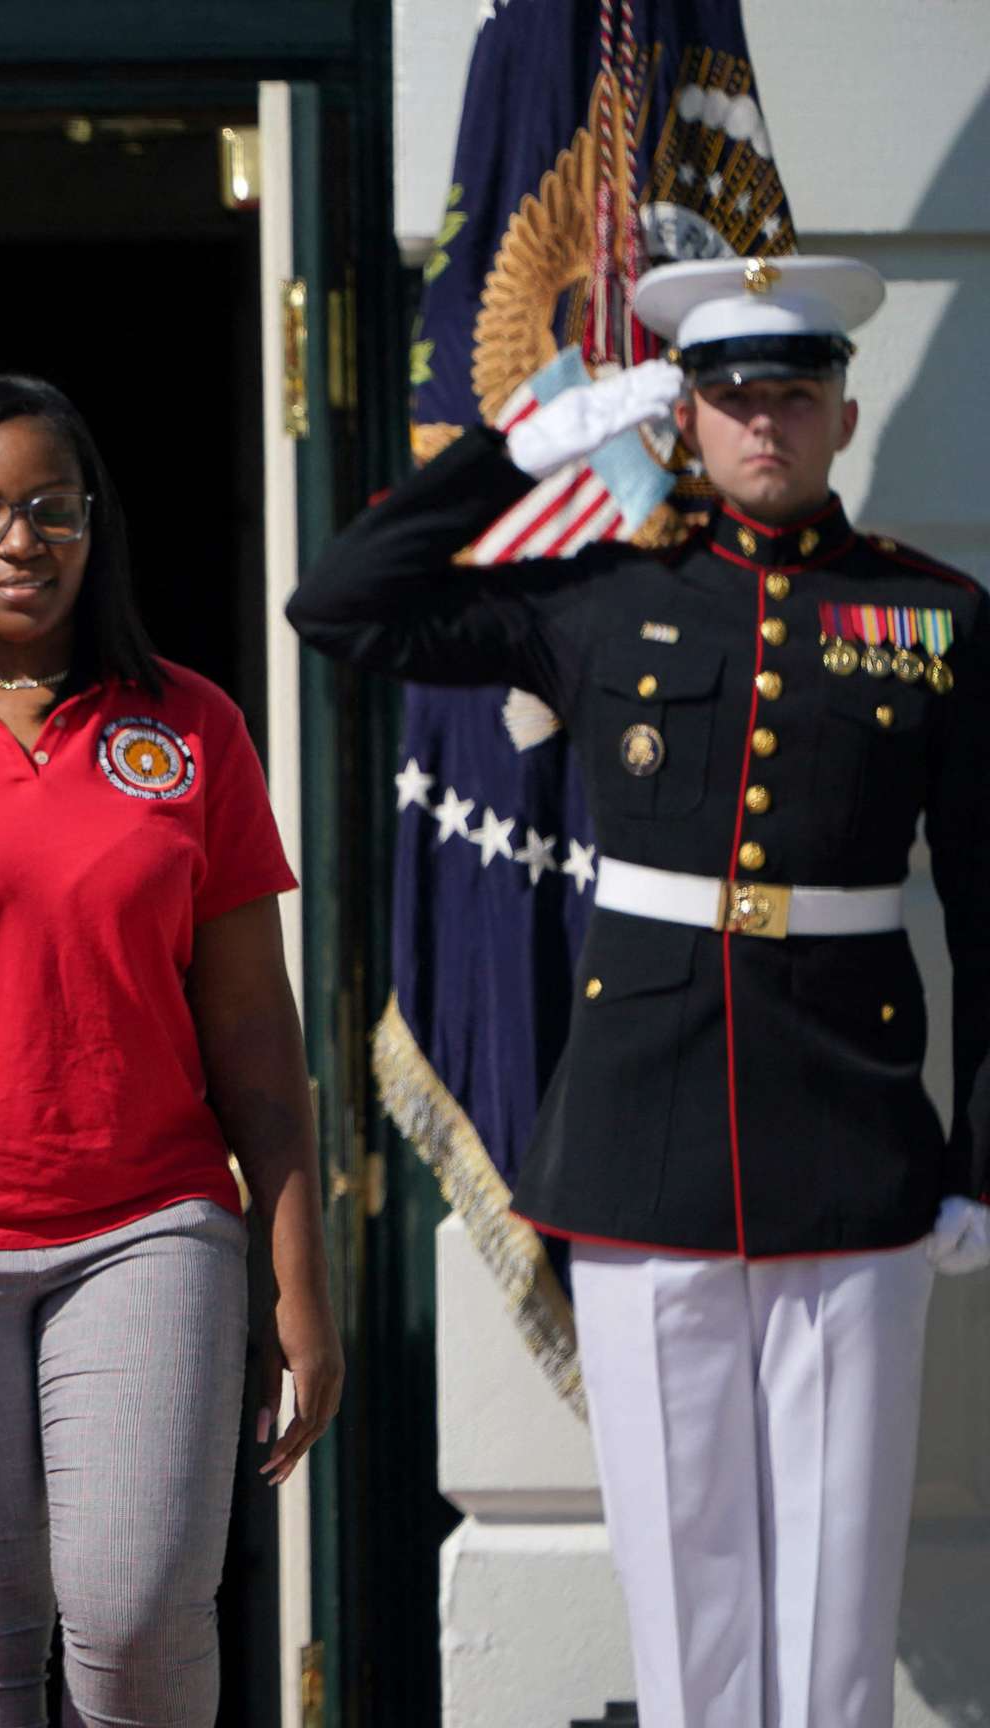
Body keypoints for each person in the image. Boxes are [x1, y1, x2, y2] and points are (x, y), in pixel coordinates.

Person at [288, 255, 990, 1728]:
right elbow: (343, 605)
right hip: (641, 1132)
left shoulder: (932, 618)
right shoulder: (607, 596)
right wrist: (520, 446)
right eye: (732, 400)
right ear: (689, 420)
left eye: (793, 397)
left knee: (839, 1588)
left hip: (855, 1137)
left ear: (842, 417)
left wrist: (980, 1150)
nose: (766, 427)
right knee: (686, 1581)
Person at [0, 375, 341, 1726]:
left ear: (95, 523)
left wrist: (300, 1277)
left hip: (150, 1227)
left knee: (131, 1620)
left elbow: (252, 1033)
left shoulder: (189, 726)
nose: (20, 540)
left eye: (51, 508)